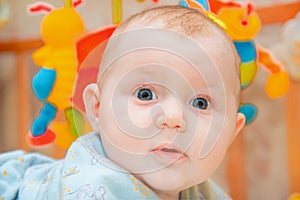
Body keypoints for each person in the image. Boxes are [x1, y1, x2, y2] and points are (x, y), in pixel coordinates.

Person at [0, 5, 245, 200]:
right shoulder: (94, 187)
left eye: (201, 103)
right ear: (97, 109)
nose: (173, 117)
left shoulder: (201, 191)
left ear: (232, 132)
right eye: (145, 95)